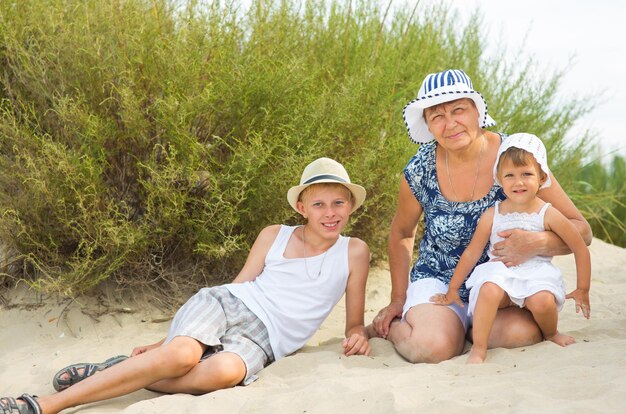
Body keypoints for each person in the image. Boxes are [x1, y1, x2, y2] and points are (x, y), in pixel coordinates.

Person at [1, 157, 371, 414]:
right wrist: (167, 341)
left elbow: (353, 323)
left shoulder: (354, 251)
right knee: (180, 356)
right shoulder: (274, 234)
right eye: (319, 203)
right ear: (302, 208)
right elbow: (240, 284)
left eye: (339, 202)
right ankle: (45, 404)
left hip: (264, 340)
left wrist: (359, 333)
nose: (330, 212)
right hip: (228, 303)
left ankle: (112, 370)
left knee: (221, 374)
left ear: (351, 205)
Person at [370, 69, 592, 364]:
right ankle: (392, 328)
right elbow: (401, 233)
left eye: (458, 110)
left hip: (504, 282)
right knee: (432, 347)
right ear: (427, 124)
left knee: (520, 335)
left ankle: (467, 328)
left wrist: (536, 242)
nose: (450, 124)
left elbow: (581, 230)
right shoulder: (419, 169)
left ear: (477, 110)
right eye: (437, 116)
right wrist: (398, 297)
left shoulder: (517, 157)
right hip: (439, 278)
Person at [430, 133, 591, 363]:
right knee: (489, 289)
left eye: (527, 174)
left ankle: (551, 333)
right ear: (499, 178)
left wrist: (583, 288)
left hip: (536, 272)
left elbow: (579, 245)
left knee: (543, 301)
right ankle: (479, 347)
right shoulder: (493, 214)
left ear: (542, 176)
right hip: (501, 271)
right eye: (510, 175)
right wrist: (452, 289)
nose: (519, 182)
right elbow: (472, 252)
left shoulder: (548, 213)